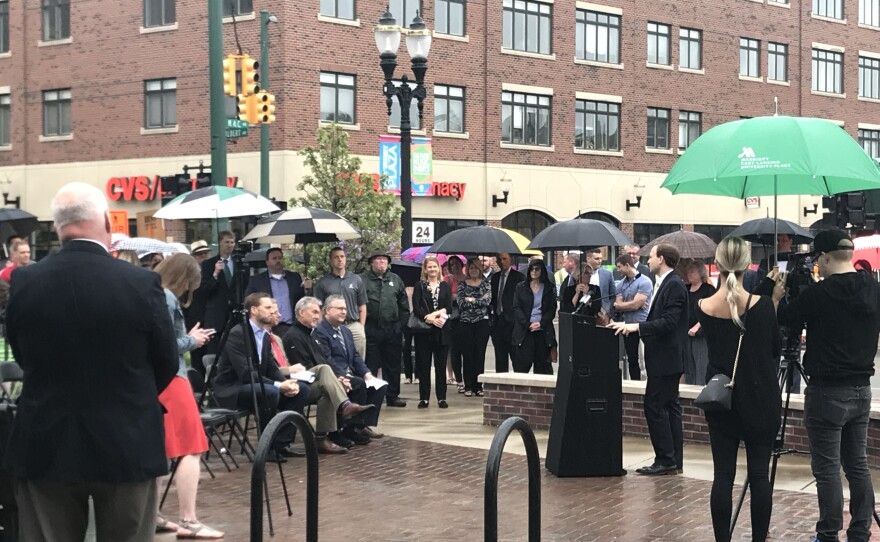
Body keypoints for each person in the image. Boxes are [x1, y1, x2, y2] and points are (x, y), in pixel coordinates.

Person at [6, 182, 178, 541]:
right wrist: (128, 393)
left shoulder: (25, 281)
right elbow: (167, 362)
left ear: (57, 227)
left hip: (47, 441)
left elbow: (22, 354)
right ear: (105, 219)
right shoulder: (141, 283)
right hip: (127, 439)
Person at [772, 230, 878, 542]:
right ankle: (859, 532)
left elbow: (786, 319)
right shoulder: (873, 288)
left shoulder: (820, 293)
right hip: (861, 388)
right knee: (857, 465)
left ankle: (828, 533)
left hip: (827, 391)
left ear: (827, 257)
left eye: (820, 258)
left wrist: (777, 296)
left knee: (828, 469)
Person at [696, 237, 781, 542]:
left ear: (716, 265)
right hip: (759, 397)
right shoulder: (761, 306)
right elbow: (775, 348)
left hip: (723, 399)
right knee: (759, 475)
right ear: (748, 265)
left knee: (722, 476)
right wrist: (774, 300)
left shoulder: (703, 306)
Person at [152, 254, 224, 538]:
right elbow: (169, 345)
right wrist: (194, 340)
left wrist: (187, 336)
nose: (190, 290)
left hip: (158, 382)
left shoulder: (153, 295)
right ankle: (189, 519)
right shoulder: (168, 297)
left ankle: (155, 515)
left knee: (160, 451)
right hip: (175, 380)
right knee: (191, 449)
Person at [609, 243, 688, 475]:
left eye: (651, 256)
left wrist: (636, 327)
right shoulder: (664, 283)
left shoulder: (673, 285)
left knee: (654, 406)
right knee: (670, 406)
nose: (648, 260)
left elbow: (670, 322)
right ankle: (673, 458)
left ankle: (665, 458)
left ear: (661, 259)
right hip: (665, 358)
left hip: (667, 359)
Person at [213, 292, 312, 460]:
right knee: (270, 392)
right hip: (233, 388)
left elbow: (271, 368)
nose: (272, 312)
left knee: (301, 389)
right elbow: (246, 373)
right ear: (253, 310)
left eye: (273, 308)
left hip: (256, 383)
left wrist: (287, 384)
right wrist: (279, 386)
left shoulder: (264, 335)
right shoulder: (238, 333)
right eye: (267, 308)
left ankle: (281, 443)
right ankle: (266, 448)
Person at [277, 296, 374, 454]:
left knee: (331, 388)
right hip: (300, 384)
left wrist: (338, 379)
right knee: (327, 378)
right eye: (314, 312)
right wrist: (335, 380)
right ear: (301, 312)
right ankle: (344, 410)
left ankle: (325, 437)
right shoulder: (293, 336)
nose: (318, 316)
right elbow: (303, 368)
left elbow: (324, 360)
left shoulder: (310, 334)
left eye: (318, 313)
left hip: (316, 381)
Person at [313, 295, 386, 445]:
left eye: (345, 309)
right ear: (327, 310)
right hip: (335, 375)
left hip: (350, 372)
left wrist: (366, 372)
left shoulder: (345, 331)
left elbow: (355, 356)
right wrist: (343, 375)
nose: (343, 312)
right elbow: (327, 359)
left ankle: (361, 425)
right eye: (339, 308)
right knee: (358, 384)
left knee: (378, 385)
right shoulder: (320, 332)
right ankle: (348, 429)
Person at [360, 252, 409, 407]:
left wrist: (401, 325)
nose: (381, 262)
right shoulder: (362, 280)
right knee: (371, 364)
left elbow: (403, 305)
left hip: (392, 328)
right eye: (378, 260)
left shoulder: (395, 279)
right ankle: (372, 396)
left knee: (393, 364)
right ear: (371, 263)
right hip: (371, 328)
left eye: (384, 260)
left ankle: (392, 395)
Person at [412, 256, 453, 408]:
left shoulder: (445, 286)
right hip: (424, 330)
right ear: (425, 269)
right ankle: (424, 398)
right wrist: (427, 318)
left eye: (434, 267)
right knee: (424, 365)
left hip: (441, 330)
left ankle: (441, 397)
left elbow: (449, 307)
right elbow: (416, 307)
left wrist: (435, 316)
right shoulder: (419, 286)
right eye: (429, 267)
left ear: (439, 269)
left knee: (441, 366)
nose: (432, 270)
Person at [313, 247, 368, 359]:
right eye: (336, 257)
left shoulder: (356, 279)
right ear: (331, 261)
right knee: (336, 357)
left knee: (358, 359)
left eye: (342, 256)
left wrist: (361, 326)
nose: (340, 259)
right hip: (332, 326)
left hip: (353, 324)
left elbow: (362, 304)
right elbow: (318, 307)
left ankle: (358, 376)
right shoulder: (323, 282)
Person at [200, 231, 246, 358]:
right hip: (216, 316)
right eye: (226, 242)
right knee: (215, 353)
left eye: (232, 242)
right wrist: (215, 274)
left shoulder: (240, 264)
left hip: (234, 314)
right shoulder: (208, 264)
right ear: (220, 243)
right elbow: (204, 290)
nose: (229, 245)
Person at [245, 247, 308, 338]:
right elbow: (249, 301)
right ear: (267, 262)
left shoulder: (294, 277)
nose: (278, 261)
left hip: (292, 326)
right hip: (268, 327)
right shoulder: (257, 280)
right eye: (274, 258)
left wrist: (308, 289)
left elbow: (302, 300)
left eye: (280, 258)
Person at [511, 259, 557, 375]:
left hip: (543, 330)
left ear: (542, 271)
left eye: (537, 269)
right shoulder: (521, 287)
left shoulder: (548, 288)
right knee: (522, 365)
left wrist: (541, 323)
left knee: (542, 367)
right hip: (525, 331)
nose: (534, 271)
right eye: (531, 269)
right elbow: (517, 308)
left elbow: (552, 309)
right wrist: (528, 324)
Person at [613, 254, 653, 381]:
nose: (617, 270)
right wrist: (631, 304)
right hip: (628, 325)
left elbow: (636, 304)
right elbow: (619, 305)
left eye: (619, 267)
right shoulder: (620, 285)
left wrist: (626, 304)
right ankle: (635, 382)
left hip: (643, 324)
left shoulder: (644, 281)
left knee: (645, 358)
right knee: (632, 358)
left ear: (627, 265)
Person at [456, 257, 491, 397]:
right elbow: (461, 303)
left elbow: (487, 301)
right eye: (471, 268)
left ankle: (478, 386)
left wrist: (470, 299)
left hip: (482, 322)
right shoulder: (462, 284)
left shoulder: (486, 283)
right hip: (465, 323)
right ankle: (468, 385)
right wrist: (478, 300)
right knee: (467, 354)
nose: (474, 270)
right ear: (468, 270)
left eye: (476, 268)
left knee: (479, 354)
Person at [489, 252, 524, 373]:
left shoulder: (519, 277)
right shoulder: (495, 277)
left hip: (512, 322)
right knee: (500, 356)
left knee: (516, 357)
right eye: (499, 259)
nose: (501, 262)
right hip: (497, 321)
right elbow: (492, 298)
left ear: (510, 260)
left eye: (504, 259)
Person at [684, 260, 715, 385]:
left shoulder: (708, 289)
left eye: (692, 272)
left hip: (701, 334)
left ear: (700, 273)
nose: (689, 274)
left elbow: (710, 310)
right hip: (685, 333)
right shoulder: (685, 289)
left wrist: (697, 326)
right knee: (688, 367)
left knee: (700, 364)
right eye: (688, 272)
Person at [444, 255, 466, 390]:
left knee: (467, 350)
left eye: (456, 263)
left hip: (467, 317)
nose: (454, 266)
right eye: (451, 264)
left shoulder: (467, 279)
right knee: (454, 351)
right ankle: (458, 379)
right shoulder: (447, 280)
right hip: (452, 318)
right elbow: (444, 297)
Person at [586, 249, 617, 314]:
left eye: (601, 258)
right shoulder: (580, 274)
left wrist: (608, 309)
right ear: (588, 259)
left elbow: (613, 295)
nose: (600, 261)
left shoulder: (607, 274)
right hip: (585, 312)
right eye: (597, 259)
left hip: (603, 313)